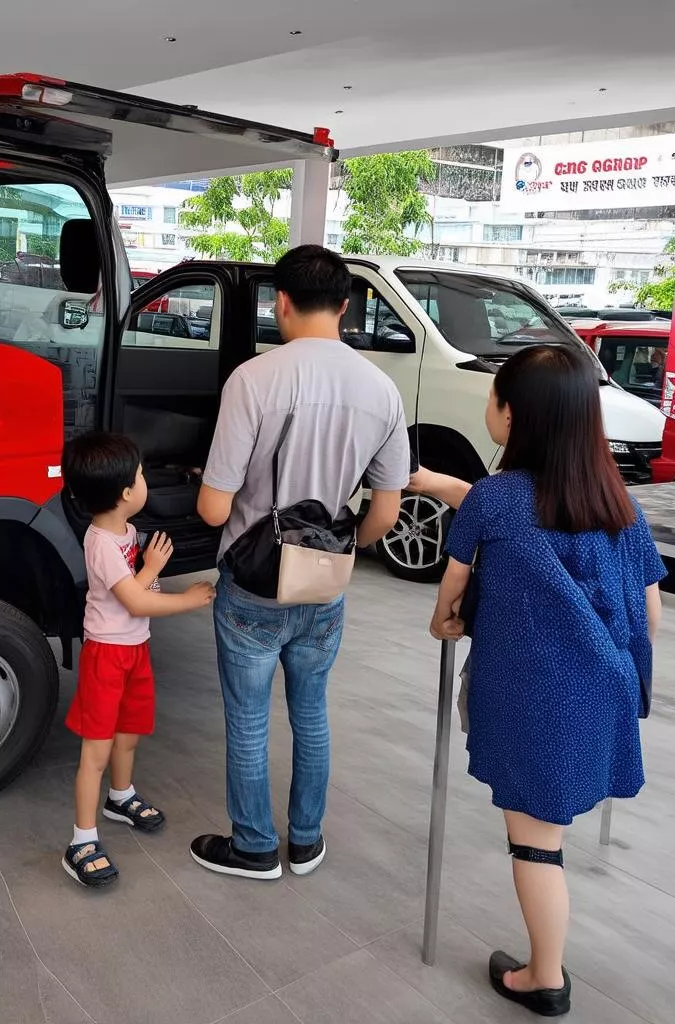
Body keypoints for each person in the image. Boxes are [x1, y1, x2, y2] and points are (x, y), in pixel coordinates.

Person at [418, 344, 666, 1017]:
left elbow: (452, 596)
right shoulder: (620, 502)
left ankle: (545, 977)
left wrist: (446, 624)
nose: (490, 409)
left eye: (496, 398)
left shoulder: (495, 499)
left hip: (533, 698)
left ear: (517, 416)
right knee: (550, 822)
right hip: (606, 691)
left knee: (535, 842)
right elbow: (650, 611)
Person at [190, 245, 409, 880]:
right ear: (345, 307)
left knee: (249, 719)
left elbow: (211, 510)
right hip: (325, 588)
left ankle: (255, 846)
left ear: (279, 303)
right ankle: (306, 841)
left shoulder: (254, 380)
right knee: (311, 714)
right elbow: (385, 515)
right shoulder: (380, 389)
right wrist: (339, 550)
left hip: (255, 586)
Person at [61, 432, 216, 888]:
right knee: (97, 750)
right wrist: (183, 595)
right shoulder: (102, 543)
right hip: (107, 654)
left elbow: (140, 594)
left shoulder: (126, 532)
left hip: (133, 651)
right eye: (142, 475)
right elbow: (136, 600)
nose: (146, 480)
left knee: (128, 735)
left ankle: (121, 796)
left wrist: (148, 571)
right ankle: (81, 840)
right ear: (128, 492)